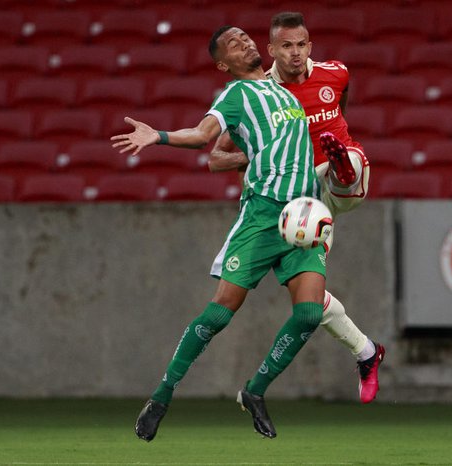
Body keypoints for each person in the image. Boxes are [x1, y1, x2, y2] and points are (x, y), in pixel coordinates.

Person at [111, 25, 327, 441]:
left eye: (244, 37)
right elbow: (204, 139)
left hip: (303, 216)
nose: (243, 42)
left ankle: (254, 391)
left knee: (309, 315)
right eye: (232, 44)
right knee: (220, 313)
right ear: (223, 65)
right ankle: (161, 396)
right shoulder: (235, 95)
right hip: (262, 216)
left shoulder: (286, 92)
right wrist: (158, 136)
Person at [208, 11, 385, 404]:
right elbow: (217, 159)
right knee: (312, 304)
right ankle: (367, 352)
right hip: (301, 202)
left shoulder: (335, 73)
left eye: (301, 44)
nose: (295, 53)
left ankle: (341, 166)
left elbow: (341, 104)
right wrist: (261, 154)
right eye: (286, 46)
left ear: (310, 46)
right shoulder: (258, 94)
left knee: (349, 160)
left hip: (337, 181)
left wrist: (333, 146)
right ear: (271, 50)